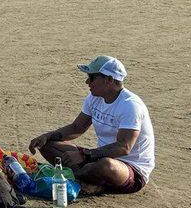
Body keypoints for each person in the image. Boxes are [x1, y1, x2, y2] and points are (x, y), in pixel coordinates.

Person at [28, 56, 155, 195]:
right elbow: (77, 128)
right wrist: (47, 136)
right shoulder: (94, 98)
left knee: (106, 166)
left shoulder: (130, 105)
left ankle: (81, 178)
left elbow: (124, 147)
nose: (87, 82)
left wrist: (84, 155)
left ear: (109, 80)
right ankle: (85, 179)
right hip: (97, 158)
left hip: (130, 169)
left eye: (92, 77)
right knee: (48, 145)